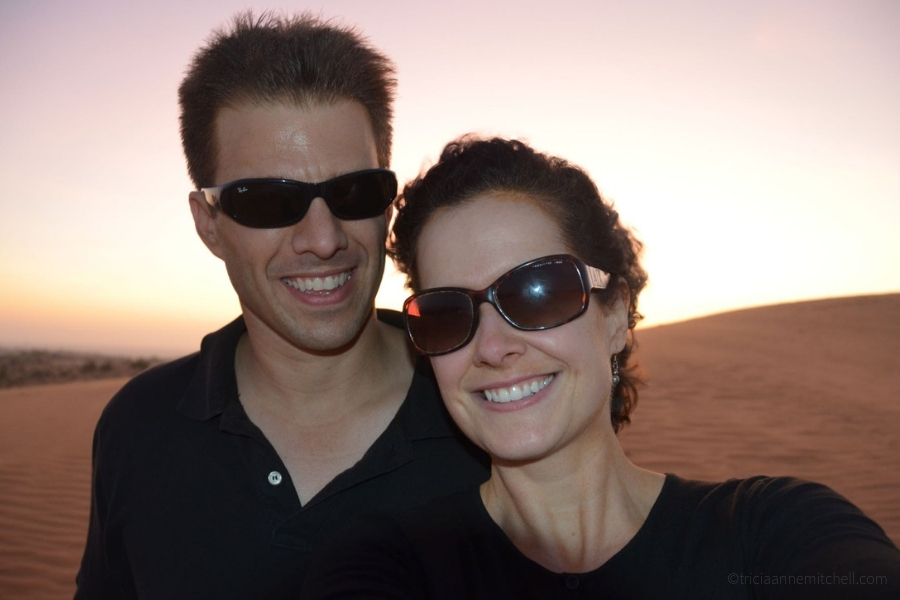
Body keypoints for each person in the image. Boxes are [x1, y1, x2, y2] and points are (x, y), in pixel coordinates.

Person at [301, 136, 900, 599]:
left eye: (537, 292)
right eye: (445, 313)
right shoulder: (388, 566)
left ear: (615, 316)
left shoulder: (774, 532)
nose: (492, 346)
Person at [74, 13, 487, 598]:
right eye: (268, 200)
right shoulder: (138, 428)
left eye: (355, 192)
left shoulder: (491, 412)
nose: (324, 239)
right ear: (209, 225)